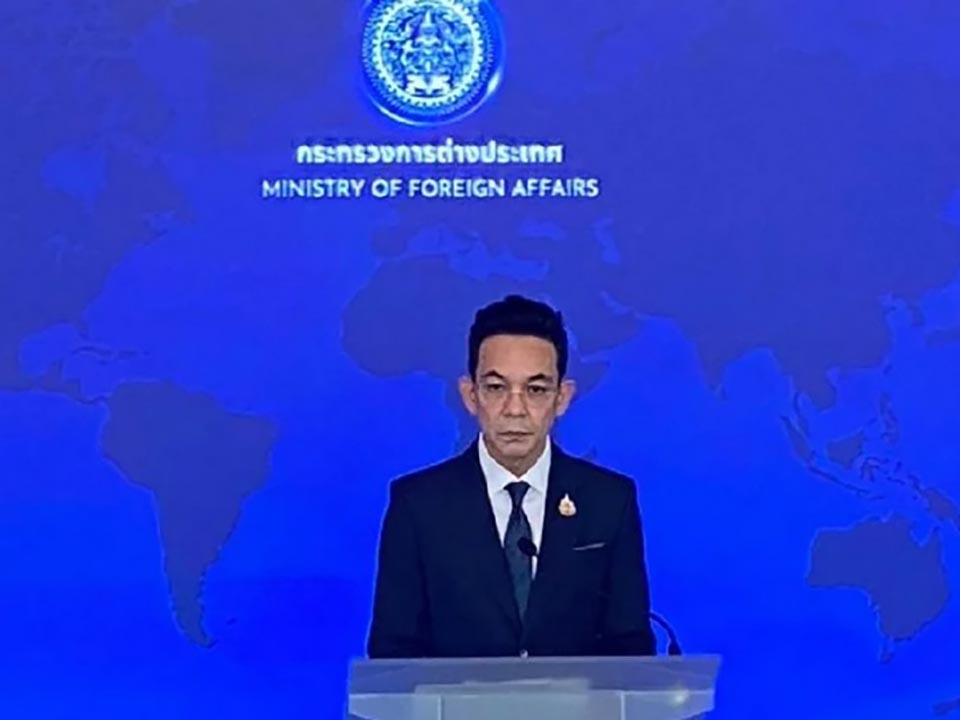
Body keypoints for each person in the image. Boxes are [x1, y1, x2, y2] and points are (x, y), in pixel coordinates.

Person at [367, 294, 656, 658]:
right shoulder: (418, 505)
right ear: (470, 395)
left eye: (535, 390)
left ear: (562, 398)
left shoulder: (609, 501)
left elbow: (631, 647)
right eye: (496, 388)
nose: (515, 409)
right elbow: (393, 655)